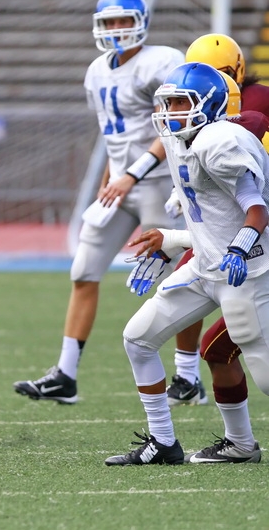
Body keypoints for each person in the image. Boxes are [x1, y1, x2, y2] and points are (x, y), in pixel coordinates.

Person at [13, 0, 185, 404]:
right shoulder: (96, 71)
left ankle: (188, 374)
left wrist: (131, 174)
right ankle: (65, 374)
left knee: (176, 276)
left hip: (159, 183)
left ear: (142, 21)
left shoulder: (160, 62)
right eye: (110, 21)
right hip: (121, 186)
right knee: (84, 271)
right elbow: (114, 134)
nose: (118, 28)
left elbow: (170, 127)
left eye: (125, 20)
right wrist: (111, 177)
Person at [106, 62, 269, 466]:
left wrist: (238, 249)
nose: (170, 111)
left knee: (266, 380)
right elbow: (210, 220)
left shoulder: (219, 141)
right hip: (206, 268)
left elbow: (256, 210)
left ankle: (242, 445)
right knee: (138, 338)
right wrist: (172, 240)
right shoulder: (180, 140)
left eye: (180, 102)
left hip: (246, 272)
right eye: (168, 102)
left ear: (208, 104)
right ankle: (164, 442)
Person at [163, 33, 269, 407]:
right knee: (215, 345)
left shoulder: (248, 106)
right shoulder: (190, 122)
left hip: (257, 236)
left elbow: (253, 118)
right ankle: (187, 376)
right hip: (238, 233)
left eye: (222, 72)